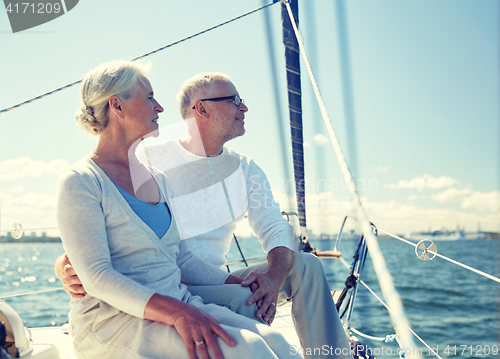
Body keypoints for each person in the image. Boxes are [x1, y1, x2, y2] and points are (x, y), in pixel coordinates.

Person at [56, 72, 352, 359]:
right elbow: (97, 235)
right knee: (250, 323)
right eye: (234, 100)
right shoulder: (146, 157)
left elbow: (273, 227)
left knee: (304, 269)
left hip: (202, 280)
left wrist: (271, 280)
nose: (244, 107)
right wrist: (66, 264)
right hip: (153, 296)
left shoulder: (242, 169)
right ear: (201, 109)